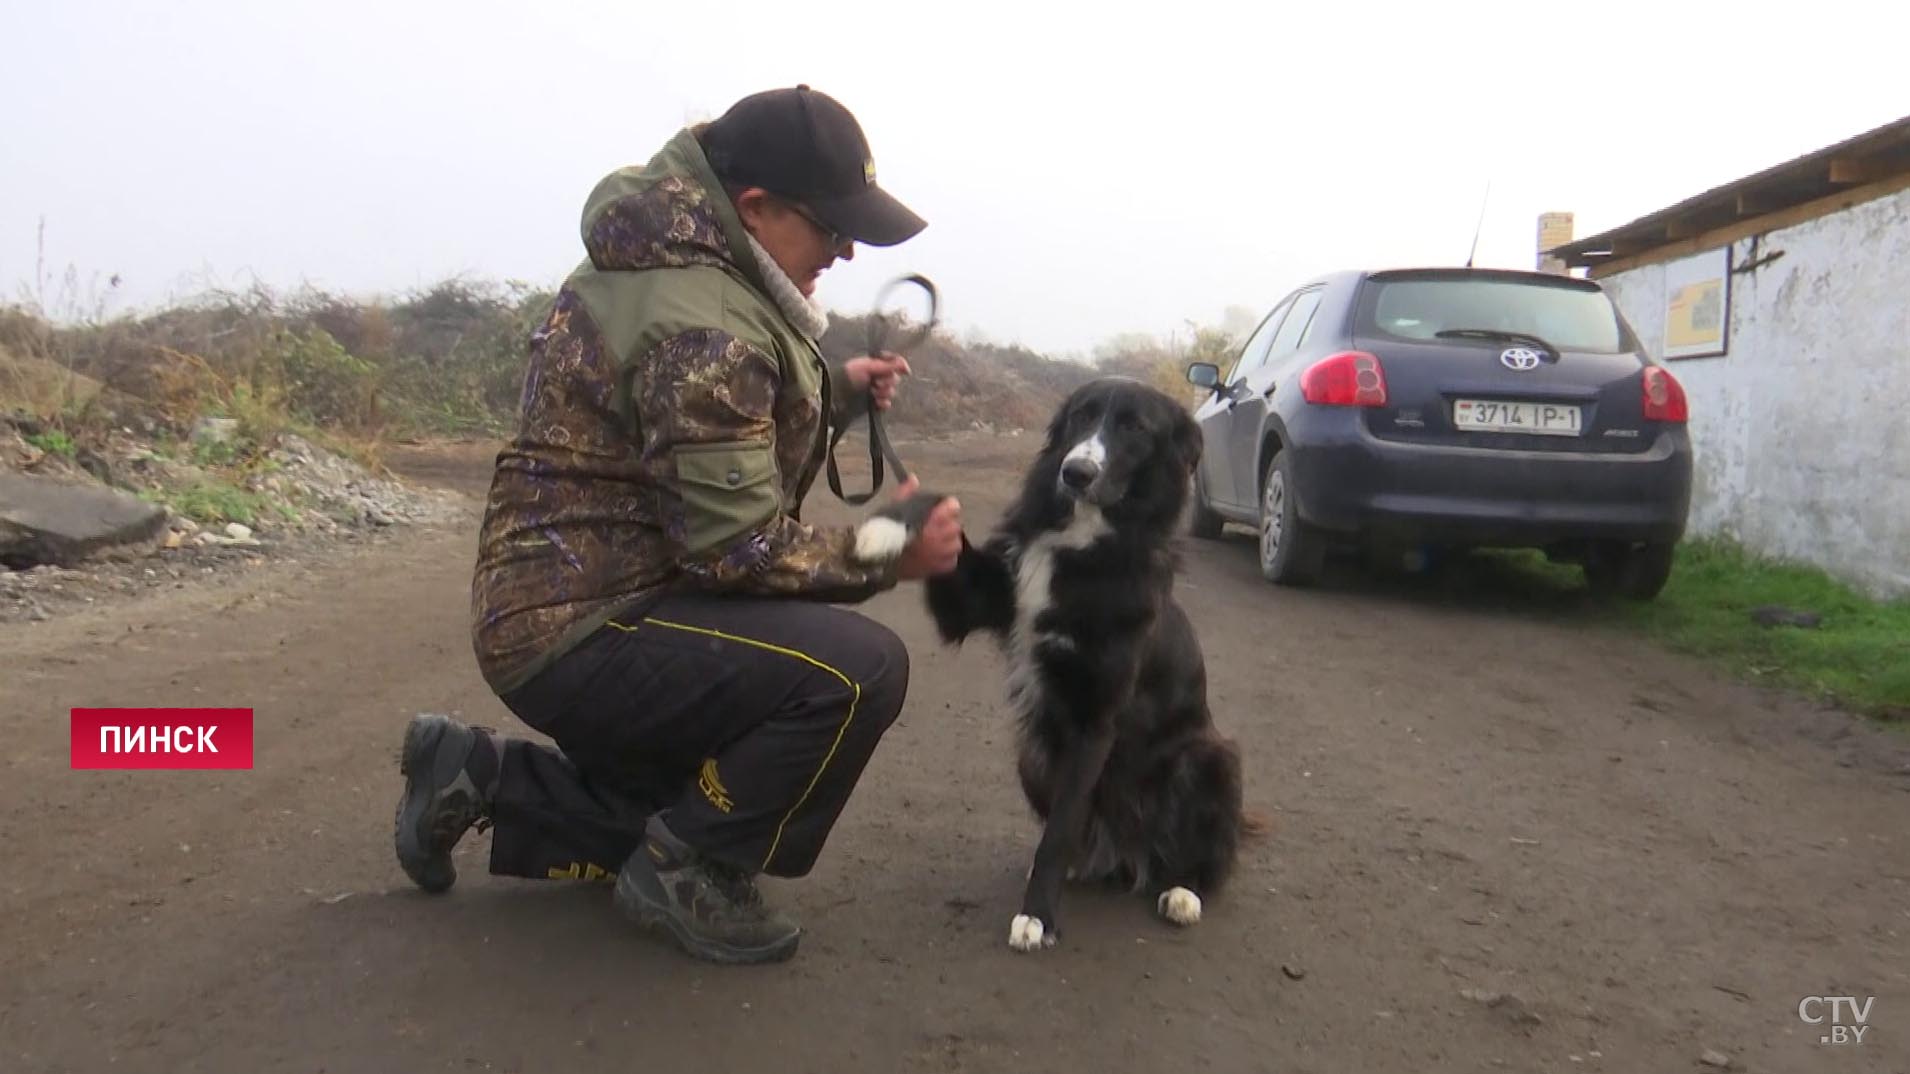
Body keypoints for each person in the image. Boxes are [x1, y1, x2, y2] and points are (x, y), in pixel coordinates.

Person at [390, 85, 964, 965]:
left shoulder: (676, 268)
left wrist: (835, 392)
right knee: (853, 670)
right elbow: (736, 547)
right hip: (591, 625)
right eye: (831, 226)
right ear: (756, 208)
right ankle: (688, 870)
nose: (846, 251)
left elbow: (704, 438)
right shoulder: (705, 321)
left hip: (566, 610)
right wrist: (890, 547)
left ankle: (477, 775)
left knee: (687, 793)